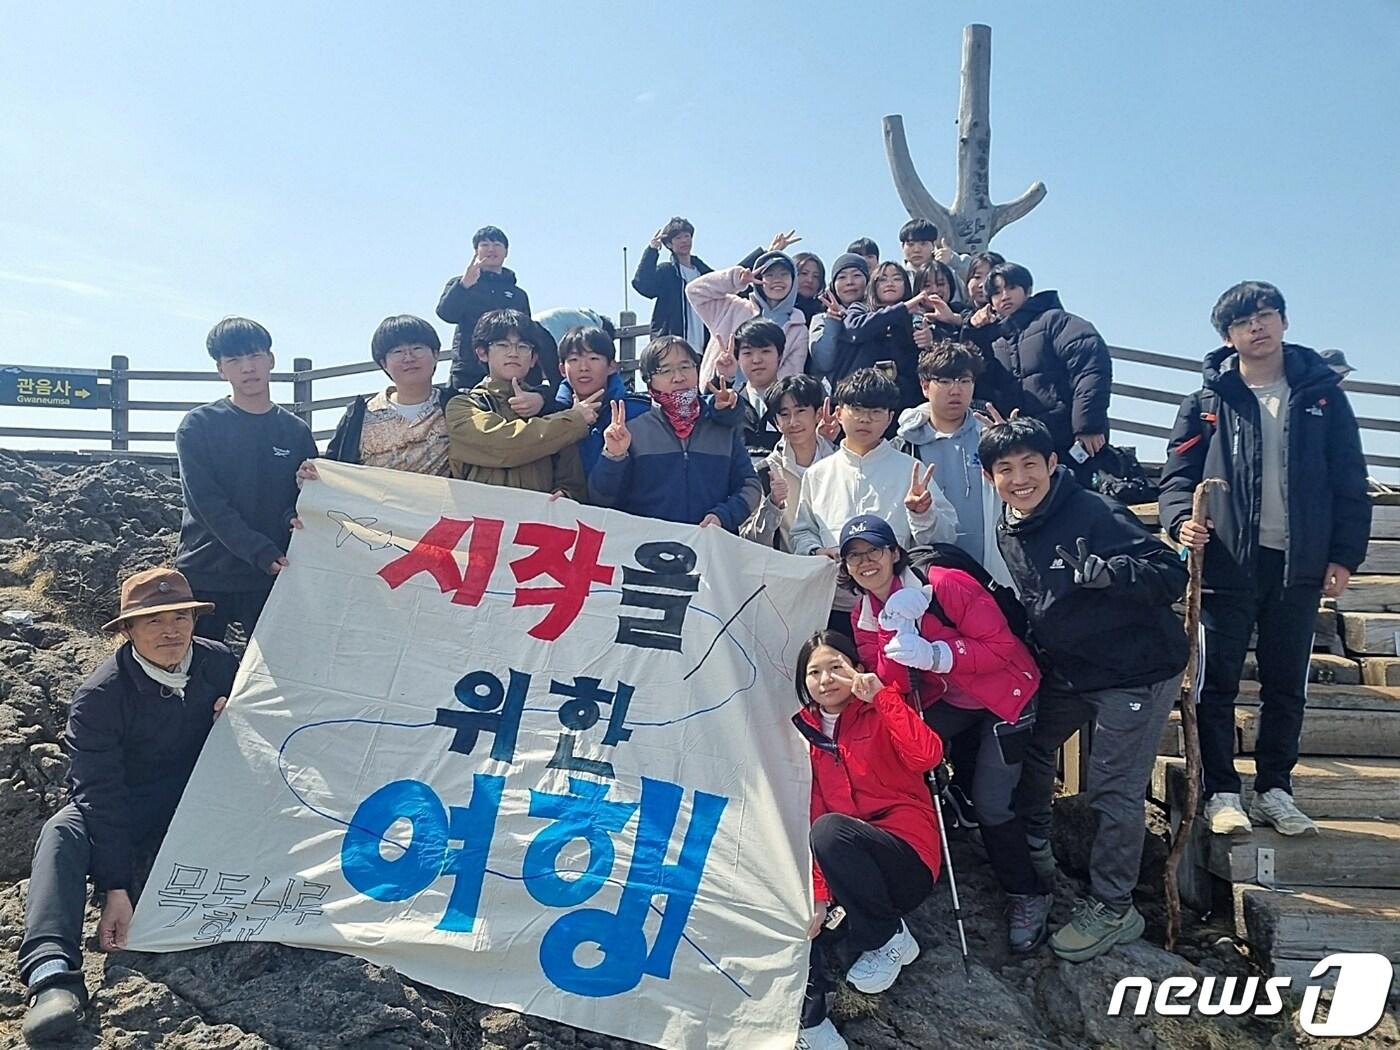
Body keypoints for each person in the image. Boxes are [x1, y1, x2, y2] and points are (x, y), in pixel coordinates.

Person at [1159, 282, 1371, 837]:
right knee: (1216, 683)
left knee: (1285, 685)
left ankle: (1276, 787)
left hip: (1298, 566)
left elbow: (1350, 481)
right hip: (1227, 566)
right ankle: (1222, 791)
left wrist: (1345, 556)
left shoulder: (1322, 397)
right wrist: (1181, 520)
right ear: (1227, 337)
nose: (1258, 327)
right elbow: (1176, 480)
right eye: (1244, 322)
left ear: (1283, 321)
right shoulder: (1207, 402)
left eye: (1267, 315)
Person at [982, 418, 1188, 962]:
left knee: (1112, 790)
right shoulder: (1010, 525)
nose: (1020, 478)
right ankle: (1036, 845)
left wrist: (1115, 574)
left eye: (1031, 464)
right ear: (990, 477)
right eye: (1006, 469)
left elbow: (1171, 572)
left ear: (1053, 464)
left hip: (1135, 670)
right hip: (1070, 668)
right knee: (1028, 744)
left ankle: (1115, 907)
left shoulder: (1094, 511)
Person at [19, 568, 237, 1044]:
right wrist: (115, 885)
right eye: (154, 621)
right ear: (127, 630)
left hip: (206, 793)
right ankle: (52, 975)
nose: (171, 630)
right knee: (62, 831)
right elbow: (100, 792)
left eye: (181, 616)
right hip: (131, 800)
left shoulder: (221, 663)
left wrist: (239, 714)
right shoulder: (100, 697)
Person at [838, 515, 1049, 952]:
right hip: (951, 697)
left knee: (993, 803)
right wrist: (897, 637)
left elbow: (1001, 648)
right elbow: (891, 681)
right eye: (854, 555)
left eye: (873, 550)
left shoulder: (944, 584)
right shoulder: (865, 612)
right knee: (901, 748)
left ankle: (1028, 893)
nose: (865, 562)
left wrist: (936, 653)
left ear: (894, 553)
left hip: (1004, 695)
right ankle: (922, 834)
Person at [793, 630, 943, 1050]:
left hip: (904, 859)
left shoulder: (880, 710)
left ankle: (887, 937)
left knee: (830, 831)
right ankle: (811, 1025)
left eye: (836, 667)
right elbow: (814, 809)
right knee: (802, 916)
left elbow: (926, 756)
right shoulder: (803, 735)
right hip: (848, 869)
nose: (825, 679)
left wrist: (881, 697)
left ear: (857, 669)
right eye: (814, 672)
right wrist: (820, 894)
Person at [174, 317, 317, 644]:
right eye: (234, 360)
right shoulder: (199, 426)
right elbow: (207, 504)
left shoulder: (295, 431)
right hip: (207, 571)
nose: (247, 367)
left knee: (277, 675)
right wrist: (260, 552)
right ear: (220, 369)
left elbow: (300, 502)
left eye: (254, 356)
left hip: (274, 574)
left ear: (271, 360)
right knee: (198, 678)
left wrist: (300, 501)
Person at [791, 368, 957, 628]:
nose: (865, 420)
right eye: (856, 409)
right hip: (835, 606)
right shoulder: (818, 474)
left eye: (875, 412)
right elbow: (802, 533)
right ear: (838, 412)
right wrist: (816, 550)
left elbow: (945, 539)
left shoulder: (910, 470)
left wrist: (923, 514)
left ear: (890, 418)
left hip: (902, 604)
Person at [588, 336, 759, 531]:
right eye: (665, 370)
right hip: (647, 552)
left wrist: (723, 516)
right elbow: (601, 498)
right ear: (648, 380)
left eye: (686, 366)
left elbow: (750, 486)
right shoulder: (632, 431)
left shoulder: (722, 427)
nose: (678, 377)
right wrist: (613, 457)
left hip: (712, 547)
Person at [445, 310, 601, 498]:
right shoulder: (462, 406)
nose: (513, 353)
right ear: (482, 353)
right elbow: (503, 446)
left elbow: (572, 479)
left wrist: (566, 494)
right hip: (482, 521)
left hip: (537, 522)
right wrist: (573, 420)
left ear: (534, 358)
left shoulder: (551, 409)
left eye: (523, 346)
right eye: (502, 345)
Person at [895, 343, 1010, 583]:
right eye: (945, 381)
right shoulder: (904, 444)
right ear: (925, 386)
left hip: (988, 570)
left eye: (964, 381)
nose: (956, 390)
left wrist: (1011, 446)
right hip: (925, 572)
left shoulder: (990, 437)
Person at [983, 262, 1113, 471]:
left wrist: (1089, 425)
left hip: (1069, 439)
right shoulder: (996, 340)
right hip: (1023, 447)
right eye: (997, 292)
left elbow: (1090, 366)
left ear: (1028, 290)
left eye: (1012, 288)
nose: (1005, 296)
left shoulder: (1055, 321)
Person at [323, 314, 454, 475]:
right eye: (397, 351)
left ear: (435, 355)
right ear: (383, 364)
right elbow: (331, 469)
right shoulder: (359, 416)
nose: (409, 358)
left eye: (417, 348)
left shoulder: (456, 406)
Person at [437, 226, 545, 391]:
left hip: (510, 369)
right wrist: (464, 285)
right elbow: (446, 314)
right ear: (476, 251)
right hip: (468, 369)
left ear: (506, 251)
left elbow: (527, 334)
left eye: (497, 244)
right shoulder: (460, 284)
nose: (491, 249)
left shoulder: (517, 294)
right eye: (485, 245)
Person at [740, 374, 838, 552]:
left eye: (800, 411)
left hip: (841, 570)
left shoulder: (841, 463)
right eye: (784, 414)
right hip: (790, 572)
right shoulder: (765, 471)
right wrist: (773, 505)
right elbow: (748, 539)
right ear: (776, 422)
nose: (793, 422)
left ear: (817, 414)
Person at [687, 252, 809, 389]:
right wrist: (735, 279)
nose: (777, 280)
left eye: (784, 274)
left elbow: (791, 373)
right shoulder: (733, 307)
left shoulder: (798, 327)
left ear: (793, 280)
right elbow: (694, 291)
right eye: (769, 275)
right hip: (718, 394)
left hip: (763, 404)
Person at [552, 324, 651, 473]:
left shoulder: (637, 411)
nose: (583, 367)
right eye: (573, 360)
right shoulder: (550, 414)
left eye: (593, 358)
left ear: (612, 366)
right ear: (562, 370)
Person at [838, 262, 934, 410]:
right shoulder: (860, 308)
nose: (890, 284)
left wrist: (929, 341)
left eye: (897, 278)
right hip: (861, 394)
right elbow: (856, 329)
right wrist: (902, 308)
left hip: (904, 399)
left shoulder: (916, 316)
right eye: (882, 279)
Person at [632, 218, 712, 347]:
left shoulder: (704, 273)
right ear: (669, 244)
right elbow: (643, 285)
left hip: (704, 344)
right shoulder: (666, 272)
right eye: (678, 238)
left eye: (687, 236)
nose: (684, 240)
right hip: (673, 345)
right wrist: (652, 250)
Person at [807, 253, 869, 387]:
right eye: (842, 277)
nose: (849, 282)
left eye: (856, 275)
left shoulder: (876, 316)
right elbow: (823, 362)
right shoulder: (821, 319)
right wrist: (833, 322)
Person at [793, 252, 827, 323]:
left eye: (816, 276)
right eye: (804, 273)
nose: (810, 280)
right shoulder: (776, 305)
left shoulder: (824, 314)